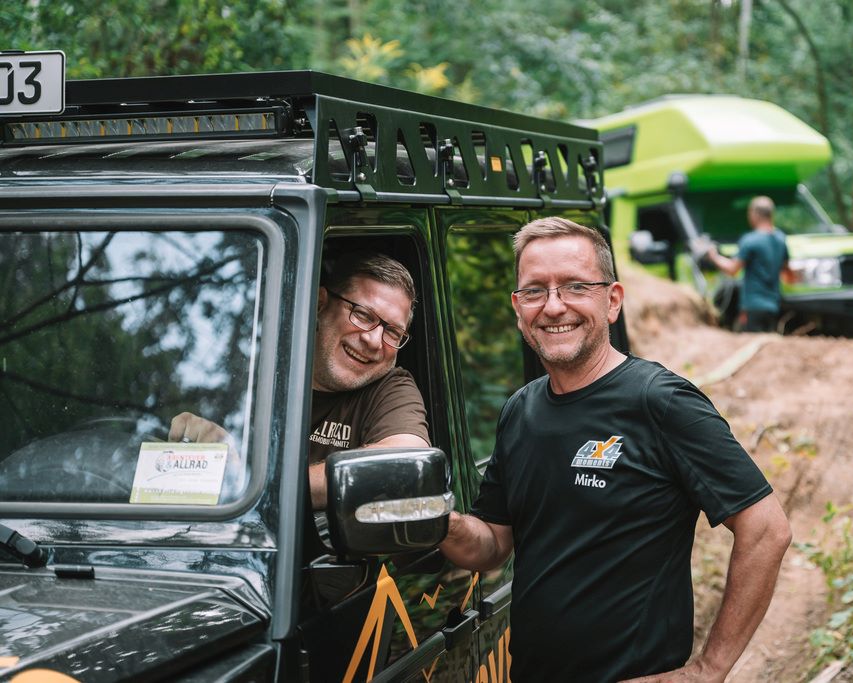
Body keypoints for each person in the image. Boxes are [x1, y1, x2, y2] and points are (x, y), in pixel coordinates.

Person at [440, 217, 792, 682]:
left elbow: (767, 530)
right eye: (534, 290)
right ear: (517, 306)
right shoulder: (520, 411)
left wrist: (708, 670)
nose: (553, 306)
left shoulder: (661, 401)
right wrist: (433, 519)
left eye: (574, 287)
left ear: (612, 301)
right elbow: (492, 547)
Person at [169, 252, 429, 510]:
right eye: (363, 315)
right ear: (320, 303)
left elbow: (404, 464)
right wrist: (193, 437)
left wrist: (249, 488)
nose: (373, 340)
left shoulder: (390, 389)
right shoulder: (254, 369)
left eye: (392, 332)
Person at [702, 196, 790, 333]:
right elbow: (787, 272)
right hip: (774, 305)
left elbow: (732, 269)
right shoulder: (780, 239)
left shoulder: (750, 240)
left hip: (753, 305)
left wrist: (714, 257)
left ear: (754, 214)